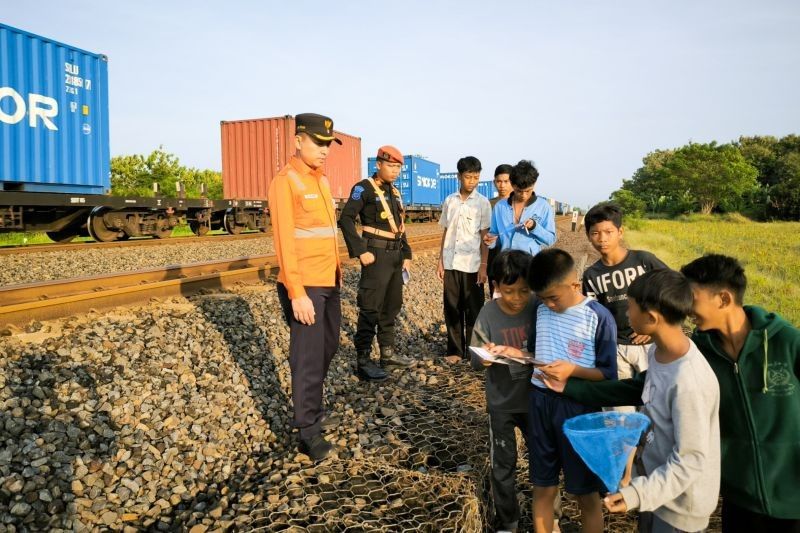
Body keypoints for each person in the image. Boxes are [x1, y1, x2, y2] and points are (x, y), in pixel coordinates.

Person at [555, 254, 800, 533]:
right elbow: (641, 387)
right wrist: (572, 387)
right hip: (739, 493)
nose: (683, 305)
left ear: (723, 299)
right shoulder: (700, 349)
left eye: (691, 296)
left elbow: (689, 457)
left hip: (791, 495)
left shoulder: (785, 341)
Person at [558, 269, 720, 533]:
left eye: (630, 307)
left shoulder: (688, 381)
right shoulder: (660, 351)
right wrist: (570, 386)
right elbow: (635, 388)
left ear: (652, 318)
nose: (625, 314)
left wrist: (636, 495)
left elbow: (690, 460)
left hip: (679, 508)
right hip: (655, 491)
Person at [490, 248, 617, 533]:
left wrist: (573, 371)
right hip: (540, 403)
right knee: (543, 486)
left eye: (553, 298)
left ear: (575, 285)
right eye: (542, 298)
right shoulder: (541, 309)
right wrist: (516, 353)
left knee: (586, 494)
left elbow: (608, 375)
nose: (547, 304)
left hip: (578, 410)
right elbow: (537, 350)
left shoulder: (597, 317)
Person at [269, 113, 342, 461]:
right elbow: (285, 241)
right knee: (308, 358)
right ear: (298, 140)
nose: (325, 150)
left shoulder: (322, 181)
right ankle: (308, 430)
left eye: (328, 144)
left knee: (328, 347)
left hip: (330, 279)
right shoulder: (286, 182)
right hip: (307, 285)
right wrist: (296, 292)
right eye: (318, 143)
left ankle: (310, 408)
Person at [469, 250, 536, 532]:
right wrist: (482, 358)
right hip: (502, 404)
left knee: (543, 463)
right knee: (503, 464)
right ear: (496, 286)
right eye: (510, 291)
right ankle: (508, 520)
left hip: (536, 403)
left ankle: (550, 515)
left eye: (524, 290)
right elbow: (474, 358)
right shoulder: (488, 313)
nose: (518, 298)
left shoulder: (539, 307)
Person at [339, 145, 415, 381]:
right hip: (375, 256)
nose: (395, 171)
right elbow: (346, 219)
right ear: (378, 164)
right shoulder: (363, 188)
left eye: (398, 168)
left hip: (394, 257)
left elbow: (399, 227)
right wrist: (360, 251)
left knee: (391, 306)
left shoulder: (395, 192)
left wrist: (407, 254)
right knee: (370, 307)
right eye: (390, 166)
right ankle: (363, 361)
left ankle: (388, 354)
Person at [581, 203, 667, 411]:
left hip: (649, 345)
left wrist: (656, 328)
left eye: (608, 232)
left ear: (620, 232)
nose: (602, 239)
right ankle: (626, 444)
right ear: (588, 236)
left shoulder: (643, 261)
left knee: (654, 405)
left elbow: (673, 289)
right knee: (620, 410)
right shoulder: (591, 275)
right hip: (615, 346)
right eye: (595, 233)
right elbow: (593, 315)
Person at [437, 156, 492, 364]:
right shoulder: (450, 201)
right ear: (459, 176)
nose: (472, 181)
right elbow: (446, 232)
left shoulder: (482, 203)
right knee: (452, 308)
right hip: (451, 263)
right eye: (468, 177)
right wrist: (440, 260)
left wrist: (484, 265)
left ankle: (474, 351)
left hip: (473, 264)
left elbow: (485, 237)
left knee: (474, 309)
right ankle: (455, 350)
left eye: (476, 177)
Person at [485, 160, 556, 257]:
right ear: (513, 184)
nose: (524, 195)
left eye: (528, 191)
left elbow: (550, 240)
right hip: (506, 264)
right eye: (519, 191)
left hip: (530, 265)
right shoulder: (500, 207)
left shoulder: (543, 207)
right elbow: (495, 235)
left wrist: (535, 227)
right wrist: (490, 241)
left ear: (534, 184)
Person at [487, 164, 513, 297]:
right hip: (493, 259)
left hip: (514, 260)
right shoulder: (489, 204)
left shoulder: (518, 203)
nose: (502, 185)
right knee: (496, 299)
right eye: (499, 181)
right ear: (494, 182)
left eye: (506, 181)